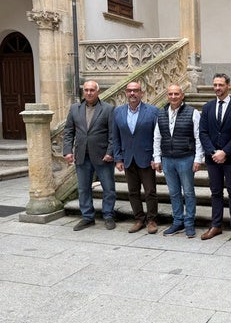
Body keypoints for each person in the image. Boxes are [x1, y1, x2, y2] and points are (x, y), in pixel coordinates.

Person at [63, 80, 116, 231]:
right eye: (86, 90)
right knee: (83, 188)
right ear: (83, 91)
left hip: (102, 156)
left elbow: (113, 134)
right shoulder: (75, 109)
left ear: (97, 92)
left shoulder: (108, 109)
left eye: (92, 90)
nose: (89, 92)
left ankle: (108, 215)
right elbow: (68, 132)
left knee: (108, 188)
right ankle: (87, 217)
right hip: (81, 156)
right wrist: (67, 151)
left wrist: (110, 152)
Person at [199, 73, 231, 242]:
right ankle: (216, 225)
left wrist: (224, 152)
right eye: (215, 85)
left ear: (228, 86)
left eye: (221, 85)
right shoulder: (207, 107)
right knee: (215, 192)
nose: (217, 88)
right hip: (213, 159)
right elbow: (203, 132)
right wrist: (213, 152)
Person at [153, 84, 203, 238]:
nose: (173, 97)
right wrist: (157, 157)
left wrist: (198, 158)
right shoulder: (161, 114)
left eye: (176, 94)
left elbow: (198, 137)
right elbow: (157, 137)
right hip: (167, 159)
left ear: (182, 95)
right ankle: (178, 221)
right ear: (167, 96)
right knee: (174, 193)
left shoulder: (193, 112)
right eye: (170, 94)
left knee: (188, 192)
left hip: (186, 158)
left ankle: (189, 223)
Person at [112, 81, 160, 234]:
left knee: (150, 191)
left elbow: (157, 136)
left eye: (136, 91)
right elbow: (115, 137)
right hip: (127, 158)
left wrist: (156, 157)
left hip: (147, 158)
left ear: (141, 93)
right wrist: (118, 158)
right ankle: (139, 218)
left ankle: (152, 220)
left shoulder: (153, 111)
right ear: (125, 93)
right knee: (133, 191)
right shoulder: (118, 112)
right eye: (129, 91)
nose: (132, 93)